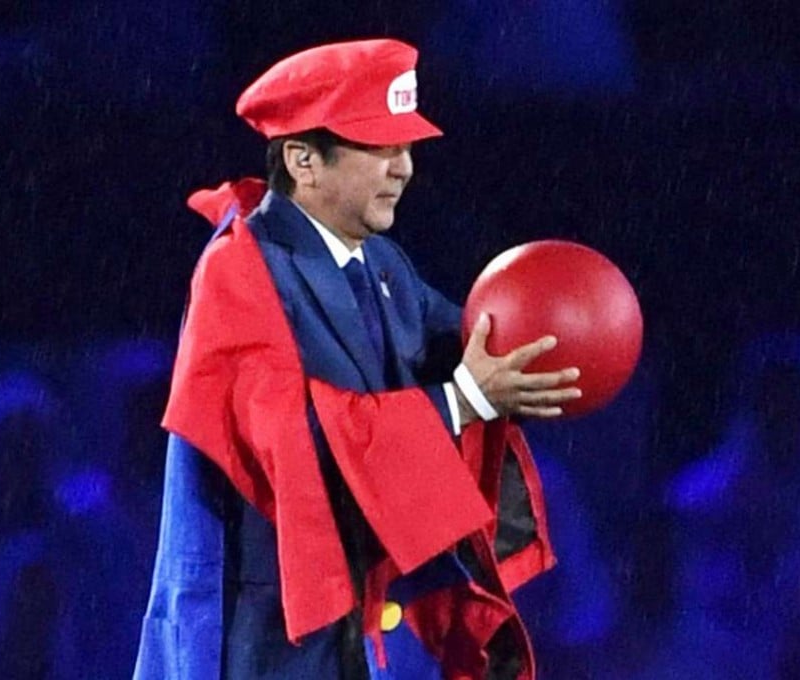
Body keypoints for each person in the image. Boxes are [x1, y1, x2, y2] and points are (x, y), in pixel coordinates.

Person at [134, 39, 581, 679]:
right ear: (303, 161)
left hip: (348, 637)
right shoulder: (240, 270)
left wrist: (547, 351)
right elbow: (294, 445)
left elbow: (472, 351)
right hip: (255, 645)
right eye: (381, 148)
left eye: (407, 149)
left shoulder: (382, 265)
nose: (404, 169)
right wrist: (465, 400)